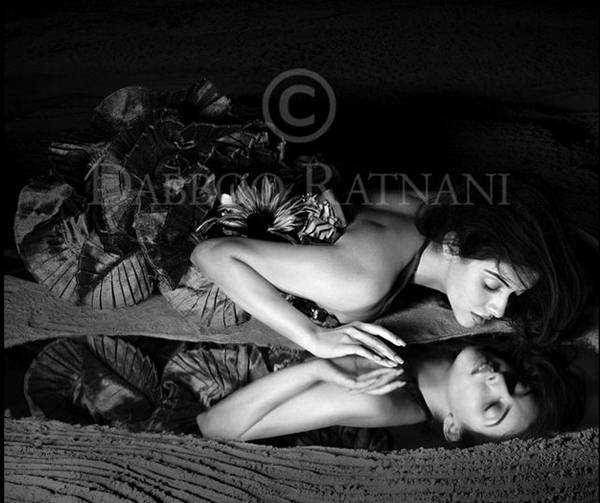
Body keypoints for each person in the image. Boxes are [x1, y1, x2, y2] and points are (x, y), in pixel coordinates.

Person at [191, 173, 586, 368]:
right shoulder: (362, 282)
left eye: (513, 295)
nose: (499, 309)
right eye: (492, 284)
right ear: (454, 245)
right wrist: (313, 337)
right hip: (205, 213)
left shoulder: (431, 205)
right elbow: (210, 255)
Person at [196, 337, 584, 444]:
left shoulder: (379, 398)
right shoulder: (454, 337)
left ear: (452, 427)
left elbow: (214, 426)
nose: (498, 381)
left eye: (493, 408)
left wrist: (314, 369)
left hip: (211, 373)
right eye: (517, 383)